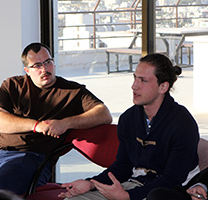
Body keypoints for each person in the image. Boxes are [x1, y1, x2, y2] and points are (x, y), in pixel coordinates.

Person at [0, 42, 112, 200]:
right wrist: (36, 126)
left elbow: (104, 114)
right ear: (27, 70)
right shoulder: (12, 85)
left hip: (31, 156)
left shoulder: (72, 91)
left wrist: (66, 123)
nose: (44, 69)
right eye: (37, 65)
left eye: (47, 62)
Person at [59, 53, 200, 200]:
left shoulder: (183, 123)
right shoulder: (128, 118)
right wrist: (91, 183)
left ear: (163, 87)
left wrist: (128, 196)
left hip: (170, 192)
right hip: (134, 185)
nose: (134, 86)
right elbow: (123, 166)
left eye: (143, 80)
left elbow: (172, 179)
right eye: (135, 78)